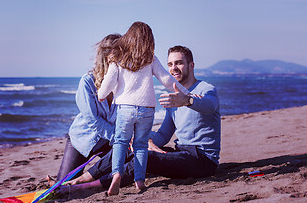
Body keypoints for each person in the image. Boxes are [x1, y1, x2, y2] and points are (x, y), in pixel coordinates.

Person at [59, 45, 221, 196]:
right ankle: (84, 177)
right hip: (181, 152)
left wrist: (189, 101)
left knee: (146, 158)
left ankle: (88, 187)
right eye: (170, 64)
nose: (173, 68)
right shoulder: (175, 98)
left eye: (179, 63)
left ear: (191, 65)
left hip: (202, 159)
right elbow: (164, 134)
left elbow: (210, 105)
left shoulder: (205, 89)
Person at [97, 22, 189, 195]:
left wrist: (102, 95)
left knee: (120, 142)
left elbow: (108, 82)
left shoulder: (117, 57)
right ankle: (139, 180)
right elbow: (167, 80)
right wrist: (185, 92)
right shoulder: (150, 59)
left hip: (125, 108)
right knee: (140, 145)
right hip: (147, 109)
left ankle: (116, 174)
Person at [48, 34, 121, 185]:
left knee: (127, 161)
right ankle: (57, 181)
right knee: (63, 184)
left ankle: (89, 178)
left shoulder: (124, 84)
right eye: (120, 54)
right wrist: (121, 137)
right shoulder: (87, 82)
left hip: (107, 143)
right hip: (82, 140)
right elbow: (94, 122)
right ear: (108, 57)